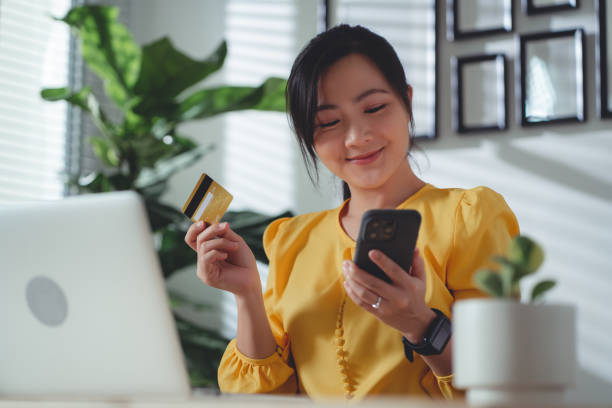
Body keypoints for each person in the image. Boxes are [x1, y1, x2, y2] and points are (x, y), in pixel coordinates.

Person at [184, 24, 519, 400]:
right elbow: (268, 399)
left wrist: (419, 324)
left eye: (374, 108)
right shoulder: (291, 241)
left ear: (406, 102)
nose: (357, 136)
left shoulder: (469, 217)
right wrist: (246, 293)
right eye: (328, 122)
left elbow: (500, 386)